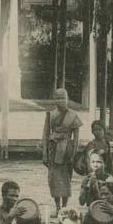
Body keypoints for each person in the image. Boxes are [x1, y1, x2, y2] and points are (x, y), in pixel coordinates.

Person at [42, 88, 82, 217]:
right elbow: (45, 134)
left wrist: (74, 154)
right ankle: (57, 207)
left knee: (65, 179)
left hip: (66, 151)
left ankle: (64, 207)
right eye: (58, 98)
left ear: (68, 99)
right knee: (53, 179)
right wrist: (44, 153)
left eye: (63, 98)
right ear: (54, 100)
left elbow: (76, 138)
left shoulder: (73, 115)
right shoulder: (50, 114)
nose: (61, 101)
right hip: (53, 149)